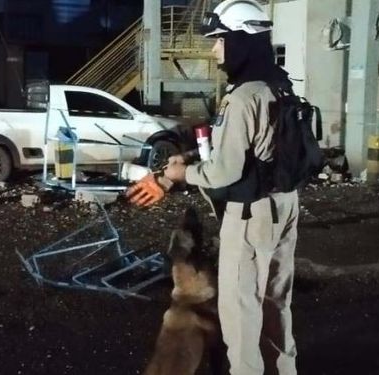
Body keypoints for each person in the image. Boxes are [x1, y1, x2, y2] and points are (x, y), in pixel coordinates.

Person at [163, 0, 299, 374]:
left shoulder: (241, 98)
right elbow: (262, 150)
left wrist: (181, 174)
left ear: (241, 40)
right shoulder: (280, 86)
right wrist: (196, 158)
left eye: (220, 40)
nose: (214, 49)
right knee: (276, 304)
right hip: (285, 204)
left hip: (251, 213)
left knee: (240, 316)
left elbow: (223, 172)